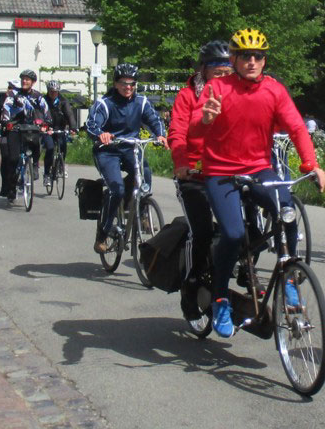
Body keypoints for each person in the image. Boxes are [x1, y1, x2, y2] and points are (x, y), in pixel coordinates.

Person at [195, 29, 325, 338]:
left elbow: (296, 127)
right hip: (221, 172)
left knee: (287, 210)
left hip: (258, 168)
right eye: (245, 56)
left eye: (258, 56)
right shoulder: (217, 87)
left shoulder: (274, 90)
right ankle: (220, 298)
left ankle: (290, 279)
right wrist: (206, 119)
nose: (252, 61)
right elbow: (193, 132)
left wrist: (312, 164)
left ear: (264, 60)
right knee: (232, 232)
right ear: (234, 59)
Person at [169, 41, 235, 318]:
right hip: (195, 173)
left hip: (227, 170)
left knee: (247, 229)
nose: (222, 75)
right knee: (203, 231)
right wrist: (182, 164)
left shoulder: (236, 93)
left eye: (226, 69)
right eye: (216, 70)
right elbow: (177, 131)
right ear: (204, 69)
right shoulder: (188, 96)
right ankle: (192, 284)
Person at [86, 63, 165, 249]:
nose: (128, 87)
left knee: (145, 172)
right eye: (123, 83)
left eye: (131, 83)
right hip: (108, 150)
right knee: (117, 189)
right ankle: (103, 234)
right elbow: (91, 124)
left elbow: (154, 119)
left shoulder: (141, 102)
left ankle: (142, 211)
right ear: (115, 83)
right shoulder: (105, 104)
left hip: (130, 147)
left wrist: (160, 134)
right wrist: (100, 134)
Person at [0, 70, 51, 201]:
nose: (24, 81)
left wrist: (47, 122)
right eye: (23, 79)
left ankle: (34, 165)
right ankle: (11, 188)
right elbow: (6, 107)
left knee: (36, 146)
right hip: (15, 129)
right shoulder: (13, 94)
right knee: (13, 159)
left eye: (28, 79)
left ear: (33, 82)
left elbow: (45, 109)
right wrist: (6, 121)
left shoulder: (37, 96)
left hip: (31, 128)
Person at [41, 80, 79, 185]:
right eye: (51, 91)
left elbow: (69, 114)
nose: (54, 93)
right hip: (47, 129)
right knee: (50, 148)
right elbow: (39, 114)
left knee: (63, 146)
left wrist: (73, 127)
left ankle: (61, 165)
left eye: (56, 91)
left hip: (59, 128)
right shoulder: (43, 101)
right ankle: (46, 175)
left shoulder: (63, 101)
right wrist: (43, 127)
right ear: (48, 91)